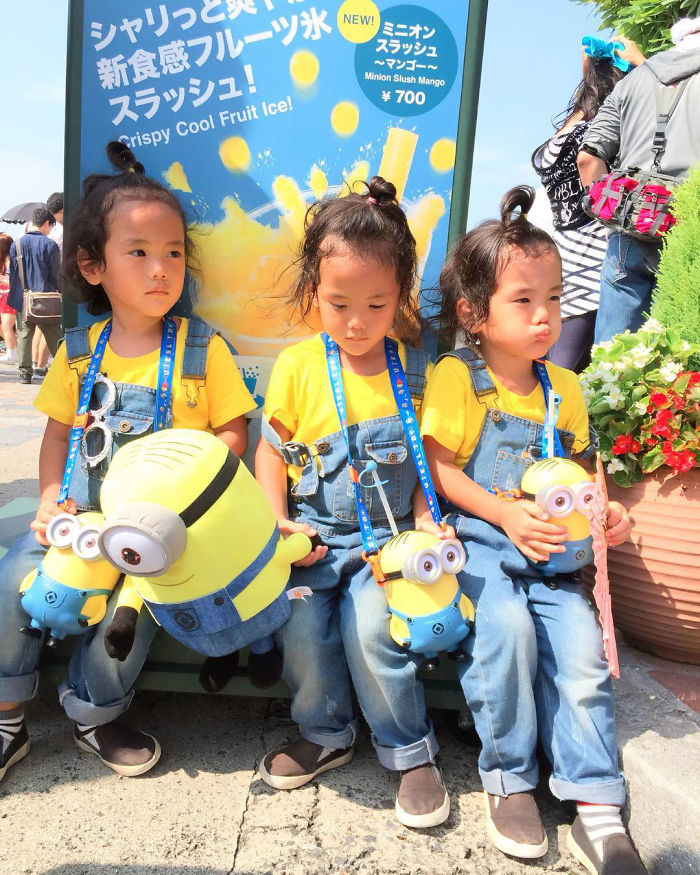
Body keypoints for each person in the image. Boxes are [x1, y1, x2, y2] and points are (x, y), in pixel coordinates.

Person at [0, 141, 256, 784]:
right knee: (13, 581)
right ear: (93, 266)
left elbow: (233, 436)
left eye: (173, 253)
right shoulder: (79, 351)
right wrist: (52, 497)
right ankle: (6, 714)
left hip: (162, 532)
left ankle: (95, 712)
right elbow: (57, 436)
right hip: (82, 515)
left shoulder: (204, 350)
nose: (160, 270)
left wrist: (186, 486)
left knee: (131, 614)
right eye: (138, 253)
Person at [421, 187, 645, 874]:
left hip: (553, 558)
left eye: (553, 296)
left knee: (581, 653)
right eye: (523, 299)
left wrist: (605, 514)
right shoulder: (458, 376)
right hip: (482, 545)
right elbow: (441, 469)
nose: (545, 314)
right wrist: (504, 513)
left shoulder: (565, 388)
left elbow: (582, 472)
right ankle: (509, 778)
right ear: (473, 313)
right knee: (506, 633)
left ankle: (597, 807)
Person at [255, 176, 452, 828]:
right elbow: (271, 452)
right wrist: (276, 520)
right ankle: (325, 731)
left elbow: (426, 463)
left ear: (401, 294)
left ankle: (410, 750)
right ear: (314, 292)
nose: (358, 321)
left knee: (373, 629)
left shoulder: (415, 370)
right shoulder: (298, 366)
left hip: (387, 544)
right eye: (339, 304)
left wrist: (424, 520)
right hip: (312, 536)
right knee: (299, 625)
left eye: (377, 303)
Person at [577, 17, 700, 343]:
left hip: (630, 230)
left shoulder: (632, 82)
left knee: (615, 358)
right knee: (683, 361)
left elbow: (587, 158)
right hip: (690, 234)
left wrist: (616, 215)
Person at [531, 36, 644, 372]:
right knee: (566, 375)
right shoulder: (607, 129)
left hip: (559, 262)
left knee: (549, 373)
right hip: (593, 261)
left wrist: (591, 71)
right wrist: (643, 65)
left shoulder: (570, 126)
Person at [7, 207, 61, 384]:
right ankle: (64, 368)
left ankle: (25, 374)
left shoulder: (17, 244)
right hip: (46, 299)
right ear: (46, 223)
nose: (50, 230)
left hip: (22, 298)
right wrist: (62, 292)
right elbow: (56, 275)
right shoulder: (50, 245)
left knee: (24, 335)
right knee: (53, 333)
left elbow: (13, 273)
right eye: (51, 226)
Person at [0, 233, 18, 365]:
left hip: (9, 296)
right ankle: (12, 350)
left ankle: (12, 353)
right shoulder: (5, 262)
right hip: (4, 295)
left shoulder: (11, 261)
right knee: (5, 326)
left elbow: (15, 282)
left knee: (7, 325)